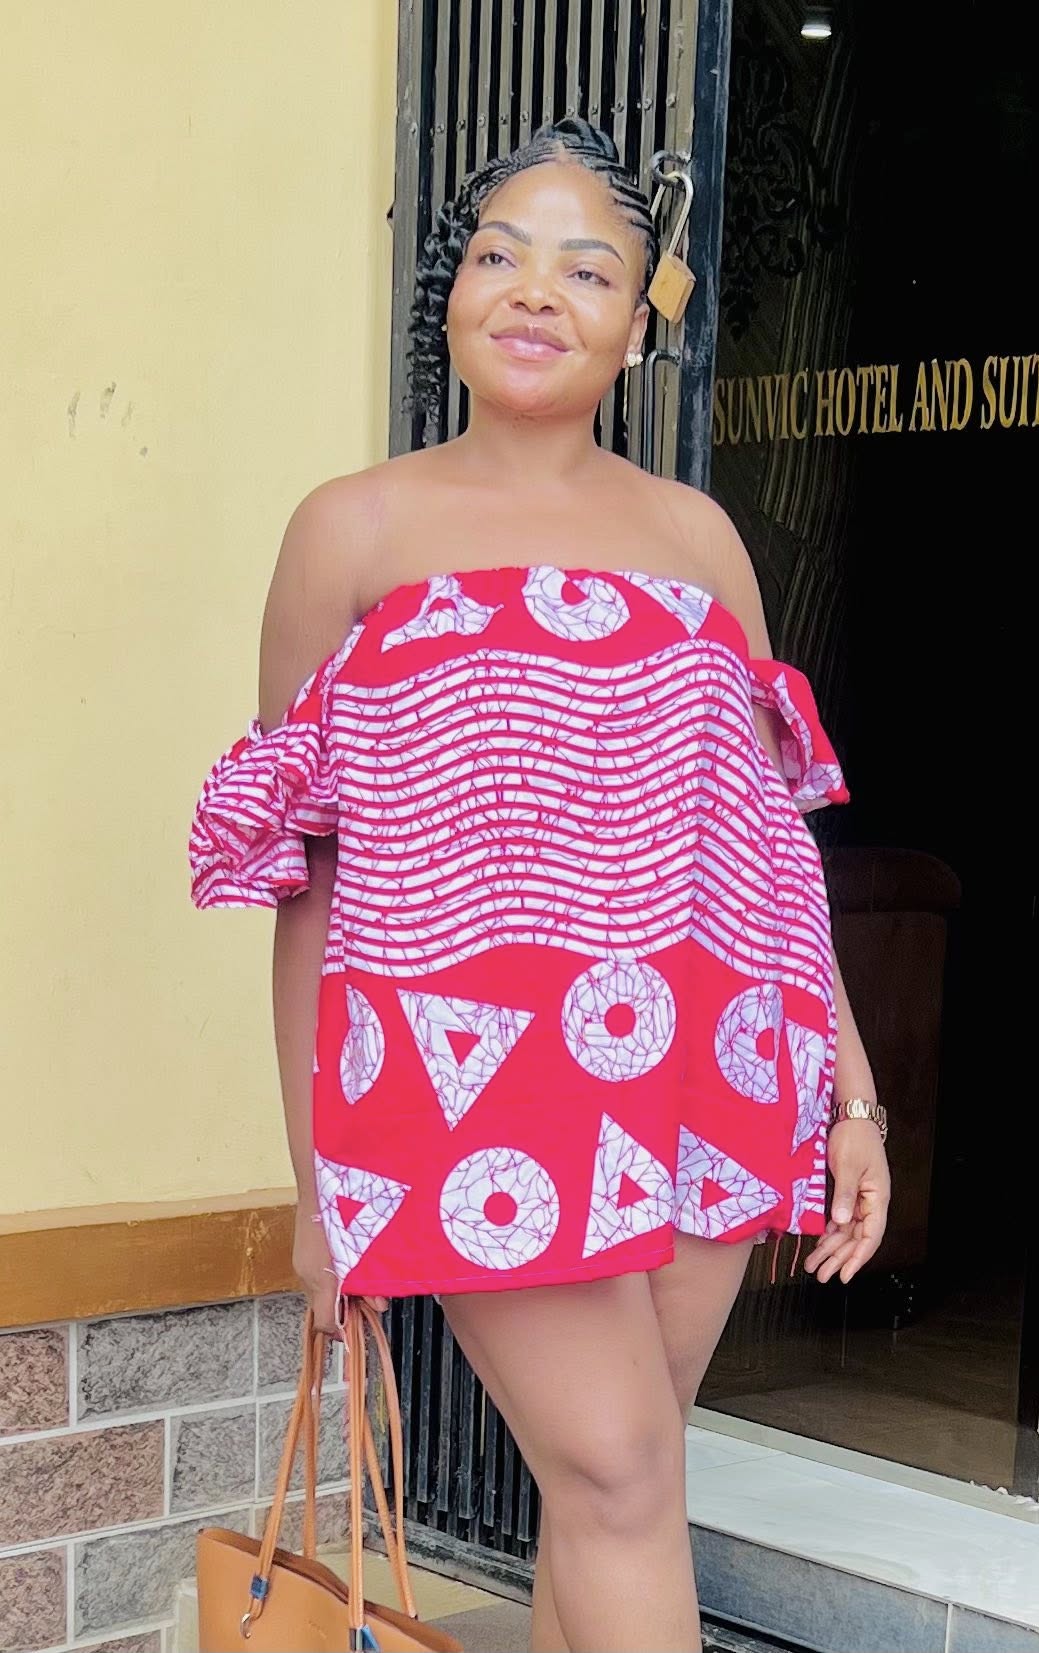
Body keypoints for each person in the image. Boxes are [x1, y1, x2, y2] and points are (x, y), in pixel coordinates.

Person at [190, 116, 890, 1653]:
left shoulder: (696, 537)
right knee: (623, 1472)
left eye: (587, 269)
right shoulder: (352, 529)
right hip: (474, 1093)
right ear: (451, 294)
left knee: (618, 1485)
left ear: (638, 326)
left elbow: (768, 848)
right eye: (502, 255)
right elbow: (308, 877)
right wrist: (321, 1185)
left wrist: (851, 1095)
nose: (535, 291)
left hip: (709, 1063)